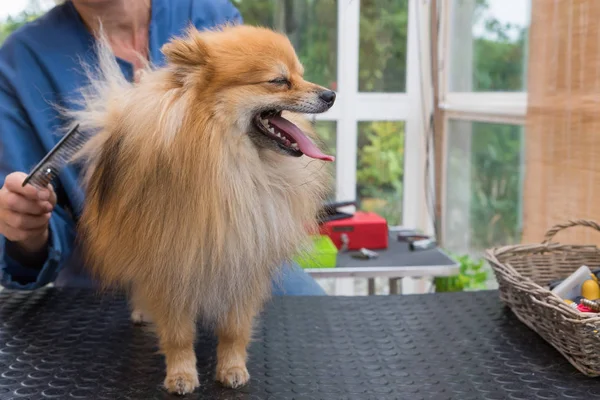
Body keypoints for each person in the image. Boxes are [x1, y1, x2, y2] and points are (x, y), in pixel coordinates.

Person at [0, 0, 326, 295]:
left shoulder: (209, 16)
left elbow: (267, 116)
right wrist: (26, 232)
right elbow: (27, 240)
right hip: (108, 283)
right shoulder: (21, 61)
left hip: (236, 264)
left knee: (311, 320)